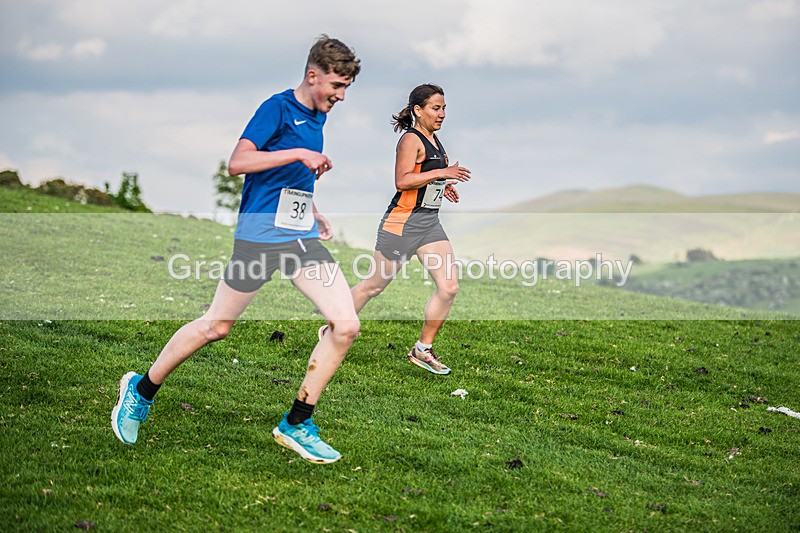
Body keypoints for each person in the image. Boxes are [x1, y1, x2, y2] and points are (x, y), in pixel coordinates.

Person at [112, 35, 361, 464]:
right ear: (312, 75)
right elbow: (238, 162)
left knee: (346, 325)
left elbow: (291, 179)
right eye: (335, 86)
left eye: (344, 89)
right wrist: (299, 153)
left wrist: (313, 209)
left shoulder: (318, 116)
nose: (339, 96)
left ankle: (297, 422)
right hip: (260, 238)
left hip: (298, 238)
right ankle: (140, 390)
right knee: (217, 327)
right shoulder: (277, 108)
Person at [346, 84, 471, 375]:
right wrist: (441, 172)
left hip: (429, 223)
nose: (442, 114)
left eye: (444, 108)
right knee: (374, 286)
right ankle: (334, 326)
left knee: (449, 287)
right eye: (435, 108)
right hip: (401, 224)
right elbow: (402, 181)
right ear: (418, 110)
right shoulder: (410, 140)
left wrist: (443, 186)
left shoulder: (434, 139)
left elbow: (423, 177)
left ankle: (422, 349)